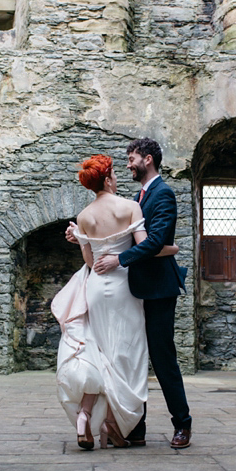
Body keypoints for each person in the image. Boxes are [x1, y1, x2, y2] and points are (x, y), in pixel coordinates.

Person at [67, 138, 193, 449]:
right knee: (131, 357)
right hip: (131, 289)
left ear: (148, 159)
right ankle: (134, 428)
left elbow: (155, 240)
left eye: (132, 158)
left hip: (158, 290)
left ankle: (182, 424)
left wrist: (118, 258)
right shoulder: (137, 197)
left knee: (163, 359)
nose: (128, 164)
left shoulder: (163, 194)